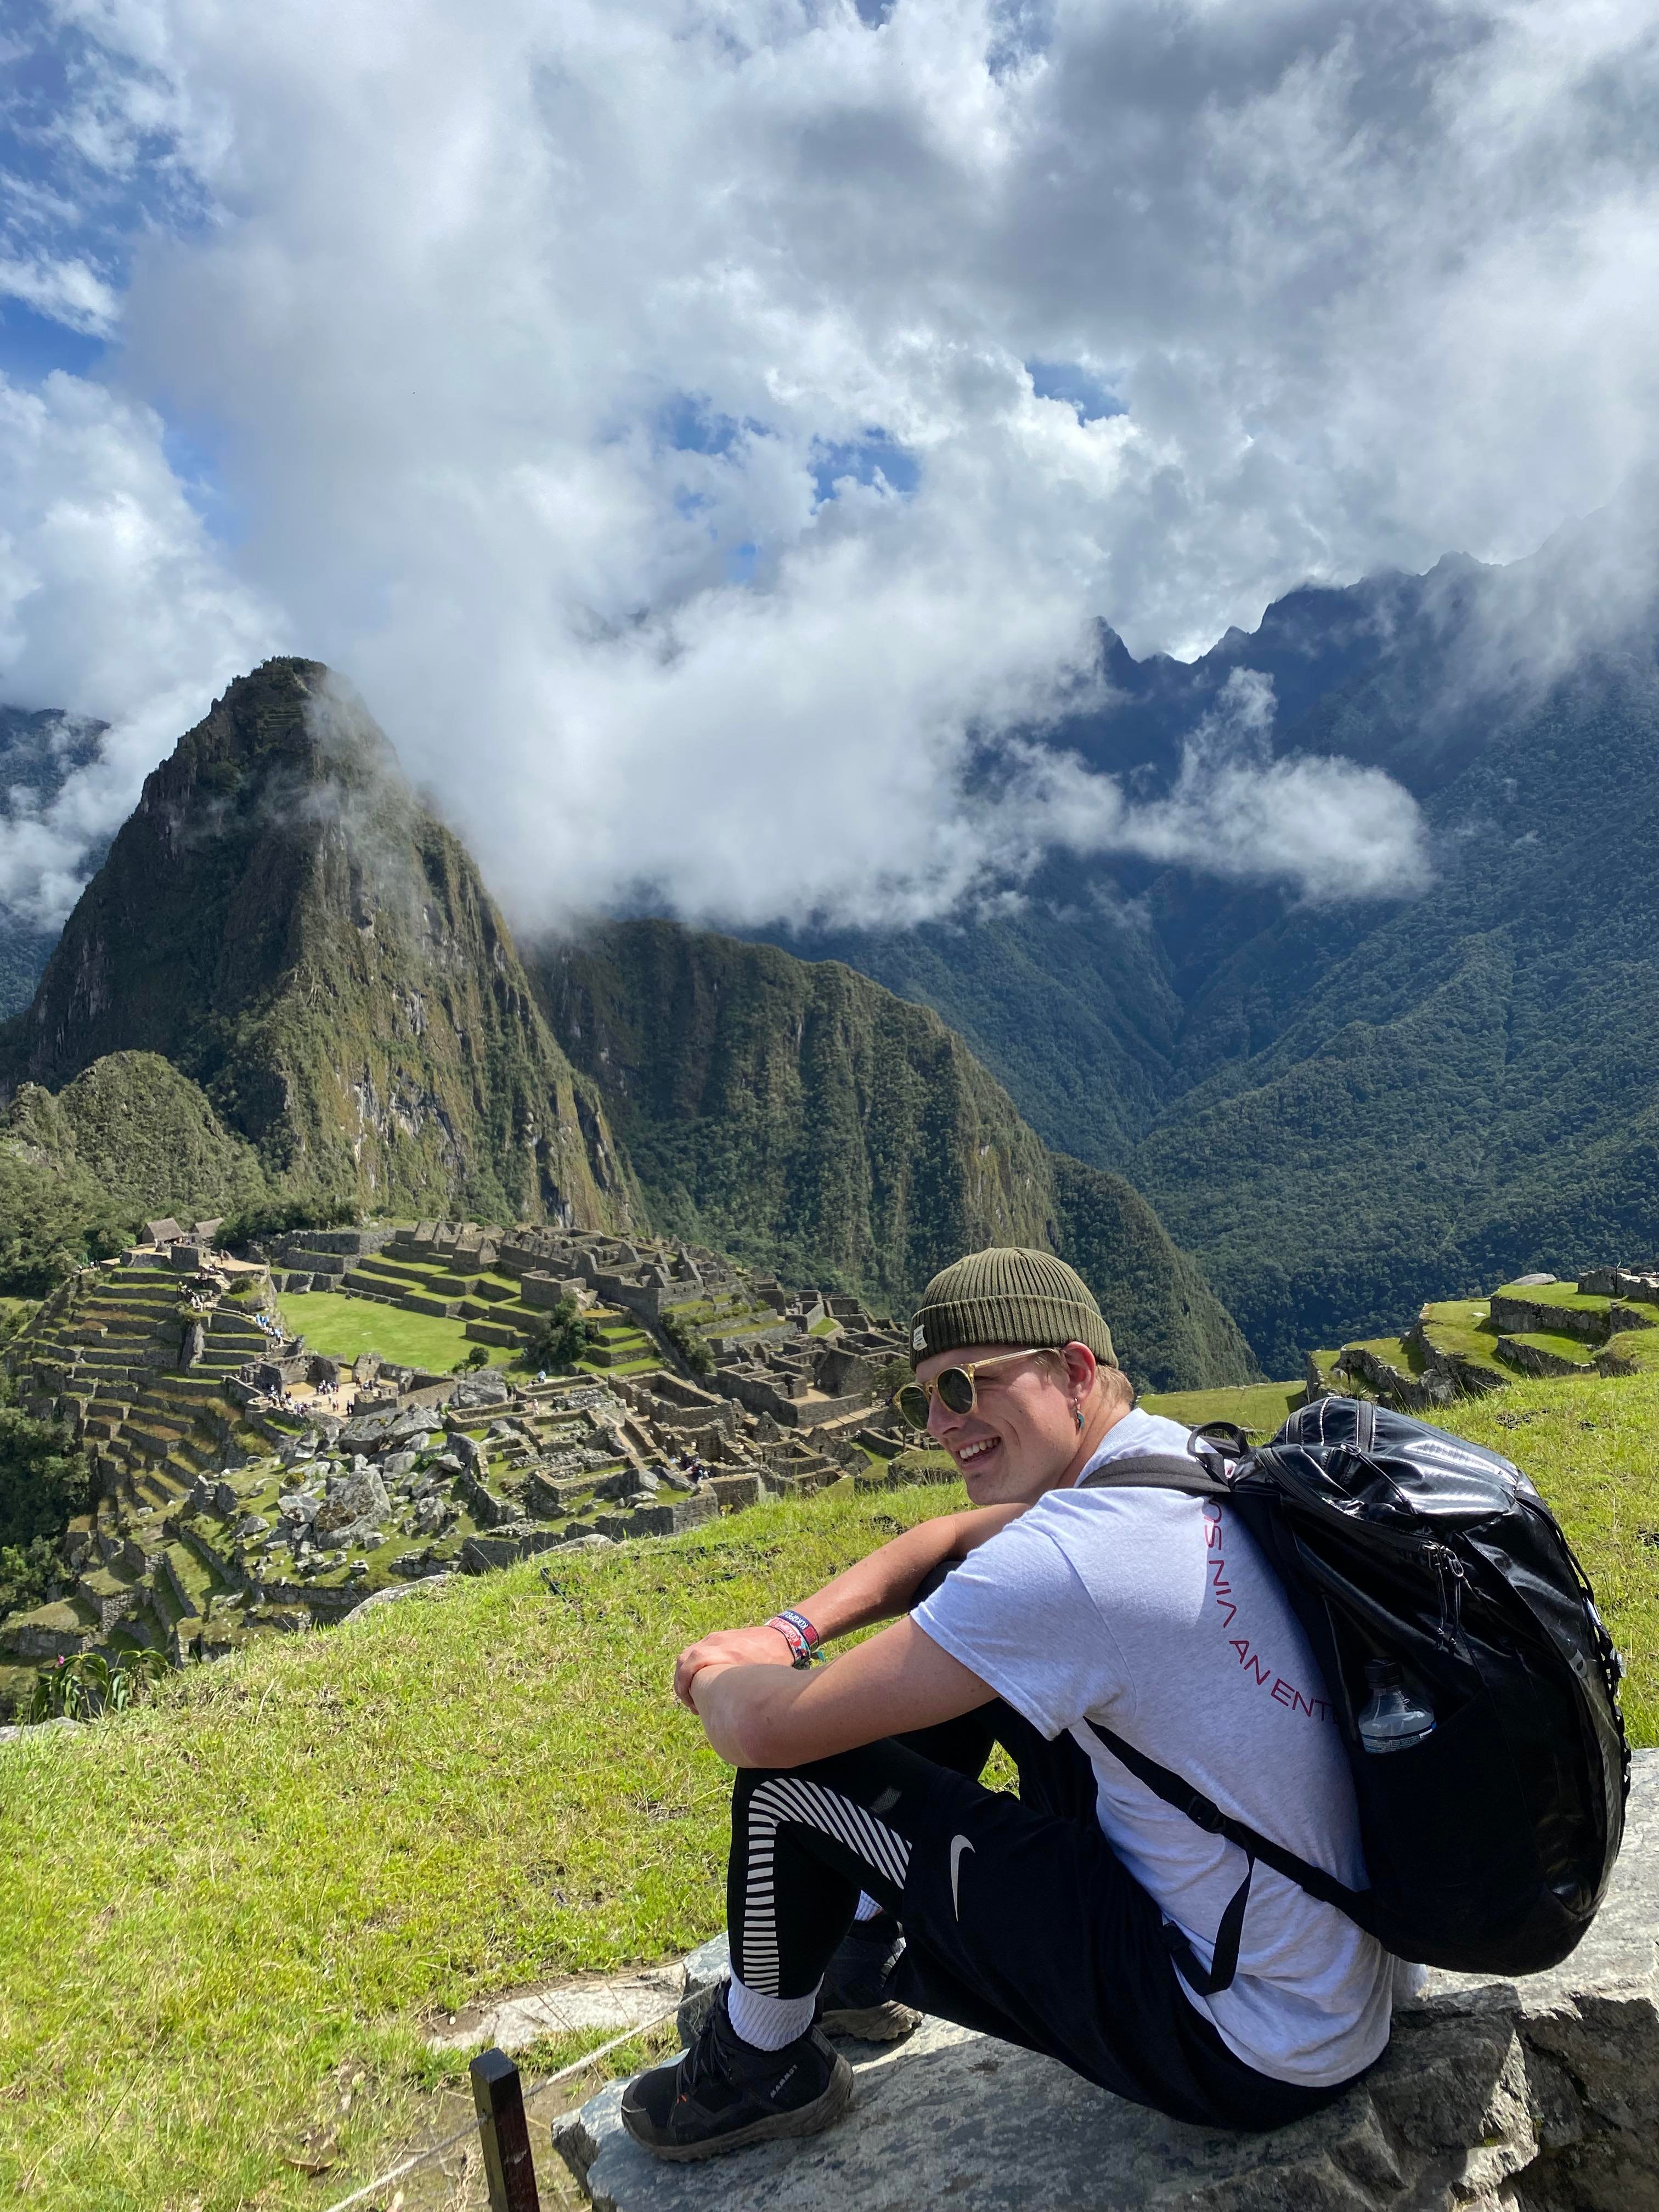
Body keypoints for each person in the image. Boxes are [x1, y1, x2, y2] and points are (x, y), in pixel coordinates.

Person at [621, 1248, 1396, 2162]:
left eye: (964, 1385)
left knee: (795, 1779)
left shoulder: (1073, 1559)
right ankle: (858, 1962)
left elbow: (762, 1731)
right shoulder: (1190, 1462)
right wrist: (788, 1634)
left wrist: (716, 1670)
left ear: (1071, 1371)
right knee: (954, 1624)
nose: (945, 1424)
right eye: (925, 1400)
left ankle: (759, 2063)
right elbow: (946, 1541)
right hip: (1323, 1977)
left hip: (1237, 2037)